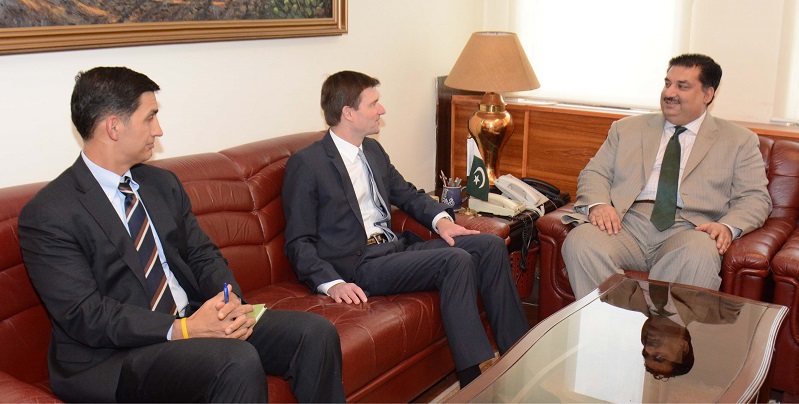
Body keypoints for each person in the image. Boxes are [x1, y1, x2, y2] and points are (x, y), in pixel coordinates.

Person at [18, 67, 345, 403]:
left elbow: (202, 254)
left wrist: (228, 299)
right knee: (234, 360)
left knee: (314, 333)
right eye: (150, 118)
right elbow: (85, 314)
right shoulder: (50, 214)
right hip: (115, 356)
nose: (158, 130)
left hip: (191, 318)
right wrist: (183, 330)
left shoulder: (161, 184)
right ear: (114, 127)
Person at [282, 70, 529, 388]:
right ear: (348, 112)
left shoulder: (372, 151)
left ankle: (520, 357)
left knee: (489, 245)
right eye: (374, 104)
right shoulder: (308, 164)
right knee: (455, 260)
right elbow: (298, 241)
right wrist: (331, 283)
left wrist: (444, 222)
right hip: (361, 265)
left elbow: (408, 194)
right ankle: (474, 379)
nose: (382, 110)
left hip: (395, 249)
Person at [562, 53, 771, 299]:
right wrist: (598, 204)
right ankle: (618, 327)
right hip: (626, 223)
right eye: (667, 83)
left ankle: (668, 335)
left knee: (701, 252)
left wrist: (726, 226)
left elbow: (755, 198)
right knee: (581, 241)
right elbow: (595, 172)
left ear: (708, 94)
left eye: (682, 86)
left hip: (689, 228)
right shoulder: (627, 128)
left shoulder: (738, 140)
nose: (669, 93)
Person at [601, 278, 742, 380]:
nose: (649, 348)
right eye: (658, 356)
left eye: (645, 353)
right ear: (683, 346)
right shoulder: (719, 313)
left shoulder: (616, 301)